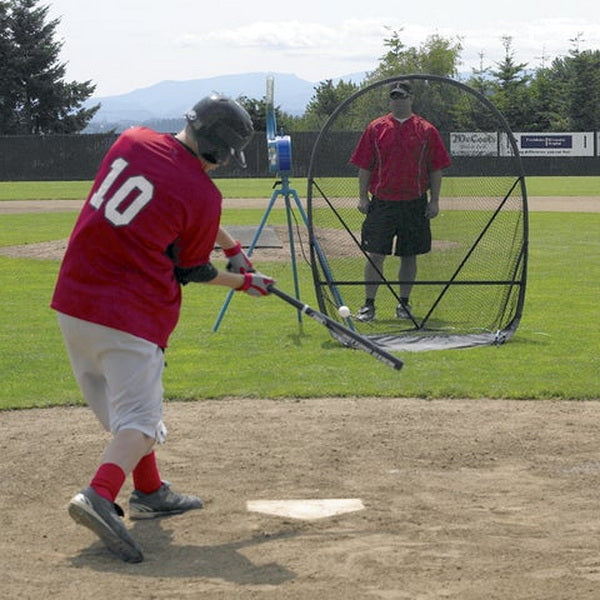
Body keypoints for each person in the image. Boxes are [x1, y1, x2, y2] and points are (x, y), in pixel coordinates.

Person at [51, 93, 275, 563]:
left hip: (73, 302)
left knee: (121, 411)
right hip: (128, 316)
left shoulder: (131, 140)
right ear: (217, 152)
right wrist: (243, 282)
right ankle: (98, 494)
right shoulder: (203, 193)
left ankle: (150, 494)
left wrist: (231, 244)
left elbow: (165, 192)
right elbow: (192, 269)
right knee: (141, 423)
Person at [349, 80, 451, 321]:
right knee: (375, 254)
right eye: (394, 97)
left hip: (414, 203)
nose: (398, 100)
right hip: (382, 203)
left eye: (402, 96)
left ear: (411, 98)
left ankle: (404, 304)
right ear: (390, 100)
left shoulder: (426, 130)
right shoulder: (376, 128)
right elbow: (364, 166)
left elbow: (436, 168)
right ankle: (368, 304)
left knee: (409, 255)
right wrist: (362, 197)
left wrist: (434, 201)